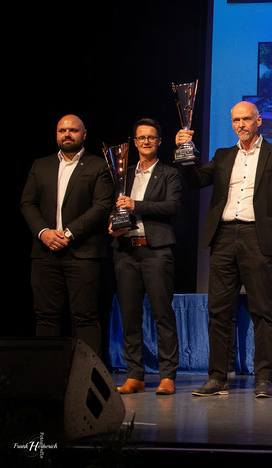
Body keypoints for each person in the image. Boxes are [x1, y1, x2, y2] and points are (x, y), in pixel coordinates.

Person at [178, 101, 272, 398]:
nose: (241, 124)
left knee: (262, 311)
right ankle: (217, 377)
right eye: (236, 120)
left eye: (246, 119)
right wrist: (185, 156)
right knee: (218, 311)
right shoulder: (223, 155)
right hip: (224, 236)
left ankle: (264, 378)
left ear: (259, 120)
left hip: (257, 238)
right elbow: (195, 180)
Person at [21, 115, 114, 355]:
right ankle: (47, 375)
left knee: (84, 316)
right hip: (45, 252)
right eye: (62, 130)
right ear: (56, 134)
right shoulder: (40, 165)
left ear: (84, 134)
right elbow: (27, 203)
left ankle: (88, 378)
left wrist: (69, 233)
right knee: (46, 316)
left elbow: (102, 205)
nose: (67, 134)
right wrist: (43, 233)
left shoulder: (98, 166)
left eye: (73, 130)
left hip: (82, 252)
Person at [110, 118, 182, 396]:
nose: (146, 142)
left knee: (162, 314)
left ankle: (167, 375)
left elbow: (172, 206)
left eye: (151, 137)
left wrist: (135, 205)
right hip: (126, 251)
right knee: (130, 315)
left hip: (156, 251)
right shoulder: (122, 173)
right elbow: (112, 206)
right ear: (135, 142)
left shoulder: (169, 174)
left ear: (159, 142)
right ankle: (134, 376)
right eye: (141, 138)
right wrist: (112, 224)